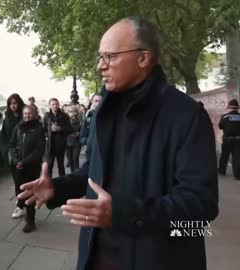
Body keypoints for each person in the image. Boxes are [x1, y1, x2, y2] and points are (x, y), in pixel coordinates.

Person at [18, 16, 218, 270]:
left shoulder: (187, 116)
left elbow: (202, 209)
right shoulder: (105, 111)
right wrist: (57, 188)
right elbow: (94, 172)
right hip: (97, 257)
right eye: (100, 57)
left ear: (143, 59)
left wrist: (124, 214)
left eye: (109, 57)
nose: (101, 66)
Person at [8, 105, 45, 232]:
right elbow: (11, 145)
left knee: (30, 193)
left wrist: (25, 162)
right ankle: (20, 206)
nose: (27, 116)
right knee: (19, 191)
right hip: (18, 166)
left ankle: (30, 220)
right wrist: (16, 160)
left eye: (30, 113)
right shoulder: (18, 128)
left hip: (32, 167)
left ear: (35, 114)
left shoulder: (39, 129)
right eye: (25, 113)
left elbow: (39, 150)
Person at [43, 98, 72, 177]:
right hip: (50, 145)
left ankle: (62, 184)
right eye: (53, 104)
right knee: (49, 166)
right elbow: (44, 129)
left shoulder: (64, 116)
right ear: (50, 106)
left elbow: (70, 129)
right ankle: (49, 183)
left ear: (59, 105)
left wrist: (60, 129)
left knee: (61, 166)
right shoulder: (47, 116)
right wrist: (46, 137)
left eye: (56, 104)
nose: (55, 106)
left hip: (60, 145)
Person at [2, 93, 25, 179]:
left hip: (24, 148)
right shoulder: (7, 117)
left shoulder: (25, 115)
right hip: (12, 148)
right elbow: (4, 132)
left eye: (14, 103)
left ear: (19, 103)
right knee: (15, 173)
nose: (12, 106)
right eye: (10, 104)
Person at [218, 99, 240, 179]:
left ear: (230, 107)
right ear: (237, 108)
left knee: (224, 156)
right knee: (237, 157)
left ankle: (222, 171)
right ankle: (237, 174)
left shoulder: (225, 116)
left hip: (227, 140)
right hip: (238, 140)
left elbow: (220, 126)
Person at [66, 105, 82, 173]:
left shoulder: (80, 120)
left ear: (75, 112)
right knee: (70, 160)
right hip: (68, 142)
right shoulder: (66, 120)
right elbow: (63, 130)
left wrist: (79, 133)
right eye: (69, 111)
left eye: (72, 111)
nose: (70, 113)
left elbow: (83, 130)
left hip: (77, 142)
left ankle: (77, 175)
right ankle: (72, 174)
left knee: (75, 159)